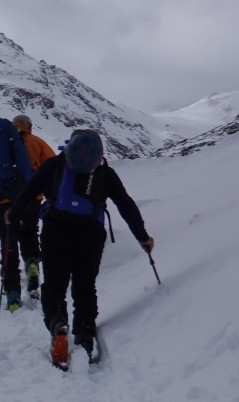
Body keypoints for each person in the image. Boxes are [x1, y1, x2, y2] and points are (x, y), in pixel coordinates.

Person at [9, 128, 154, 369]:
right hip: (91, 234)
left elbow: (28, 194)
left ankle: (58, 326)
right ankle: (85, 333)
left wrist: (12, 217)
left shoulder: (53, 165)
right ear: (99, 154)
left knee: (54, 284)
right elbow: (125, 205)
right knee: (85, 286)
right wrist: (142, 237)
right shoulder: (105, 174)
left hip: (55, 230)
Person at [0, 114, 55, 311]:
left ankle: (13, 295)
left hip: (5, 203)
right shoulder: (36, 142)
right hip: (32, 200)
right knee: (30, 234)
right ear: (29, 126)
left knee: (8, 246)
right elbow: (55, 166)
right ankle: (32, 264)